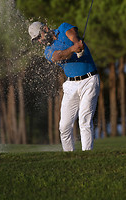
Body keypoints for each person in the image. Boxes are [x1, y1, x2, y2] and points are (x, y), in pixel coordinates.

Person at [28, 21, 100, 151]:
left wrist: (77, 43)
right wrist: (73, 49)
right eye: (36, 40)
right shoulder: (48, 51)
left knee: (84, 120)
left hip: (89, 80)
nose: (40, 41)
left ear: (45, 28)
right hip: (71, 84)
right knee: (64, 126)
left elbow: (73, 35)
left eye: (39, 37)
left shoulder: (63, 28)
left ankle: (87, 156)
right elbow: (58, 56)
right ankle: (68, 156)